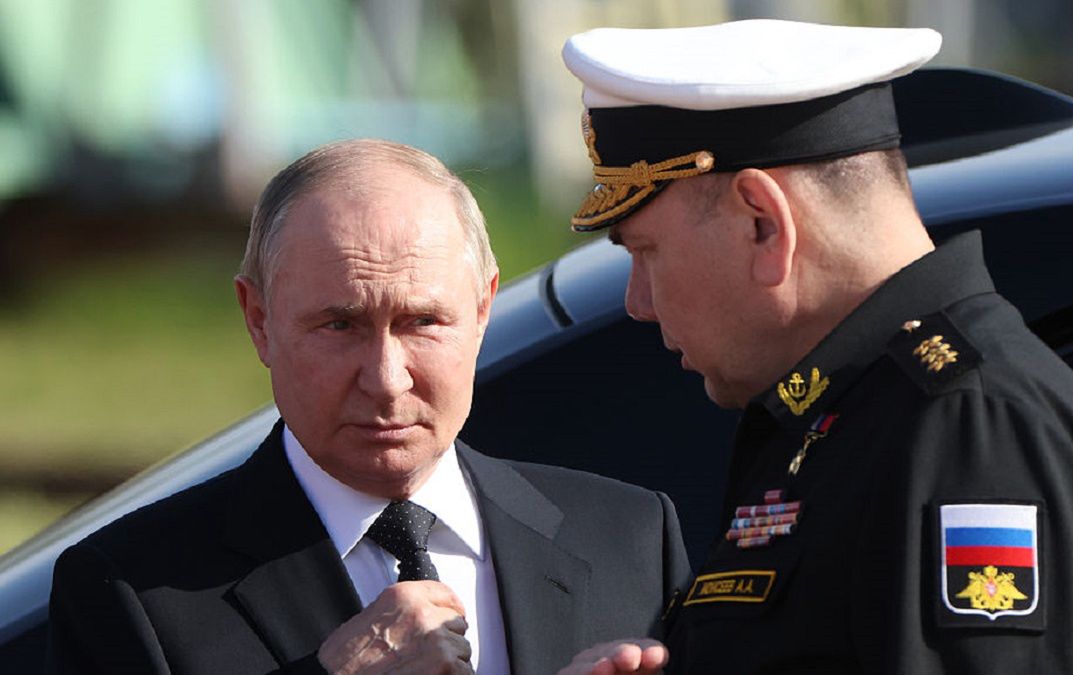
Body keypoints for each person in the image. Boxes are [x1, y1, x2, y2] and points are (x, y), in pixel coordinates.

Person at [554, 19, 1073, 674]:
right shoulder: (847, 412)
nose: (638, 300)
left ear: (762, 222)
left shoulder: (969, 426)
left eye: (645, 251)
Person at [46, 139, 690, 674]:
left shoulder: (629, 537)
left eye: (422, 322)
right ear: (259, 320)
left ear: (483, 309)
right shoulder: (134, 587)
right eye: (339, 326)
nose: (385, 380)